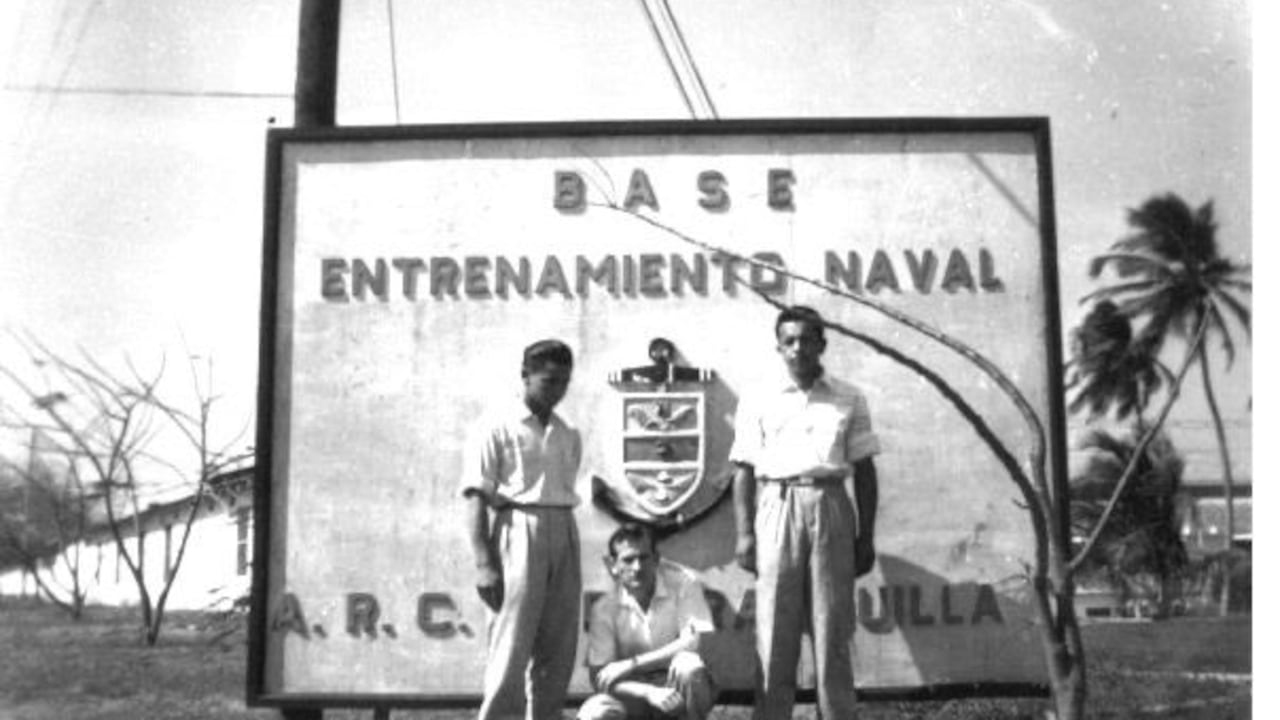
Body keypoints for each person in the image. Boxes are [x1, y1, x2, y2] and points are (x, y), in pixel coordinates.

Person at [729, 305, 881, 720]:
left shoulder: (848, 396)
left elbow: (865, 471)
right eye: (789, 341)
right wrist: (744, 534)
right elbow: (742, 470)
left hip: (831, 504)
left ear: (822, 344)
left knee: (833, 627)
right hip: (777, 507)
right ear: (778, 346)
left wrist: (866, 536)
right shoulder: (758, 396)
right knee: (776, 630)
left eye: (806, 340)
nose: (798, 349)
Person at [462, 339, 583, 720]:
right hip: (517, 529)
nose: (557, 389)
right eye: (548, 381)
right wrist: (484, 562)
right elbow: (475, 497)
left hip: (563, 528)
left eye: (564, 381)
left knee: (558, 648)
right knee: (510, 645)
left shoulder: (567, 433)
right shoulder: (495, 425)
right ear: (525, 376)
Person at [580, 523, 717, 720]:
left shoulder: (683, 583)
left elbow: (692, 643)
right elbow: (600, 676)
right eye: (628, 560)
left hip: (675, 690)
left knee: (689, 666)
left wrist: (632, 664)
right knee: (594, 712)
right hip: (633, 692)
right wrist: (648, 692)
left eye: (644, 558)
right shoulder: (603, 608)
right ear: (613, 565)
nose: (637, 567)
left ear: (656, 559)